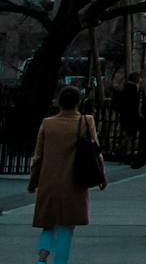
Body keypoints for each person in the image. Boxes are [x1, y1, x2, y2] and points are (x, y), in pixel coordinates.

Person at [29, 85, 99, 264]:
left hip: (49, 180)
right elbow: (95, 151)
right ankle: (60, 261)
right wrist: (102, 177)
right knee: (67, 226)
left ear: (59, 102)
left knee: (48, 223)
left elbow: (38, 156)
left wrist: (33, 181)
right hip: (75, 181)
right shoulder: (86, 121)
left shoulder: (47, 123)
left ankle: (42, 257)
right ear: (79, 102)